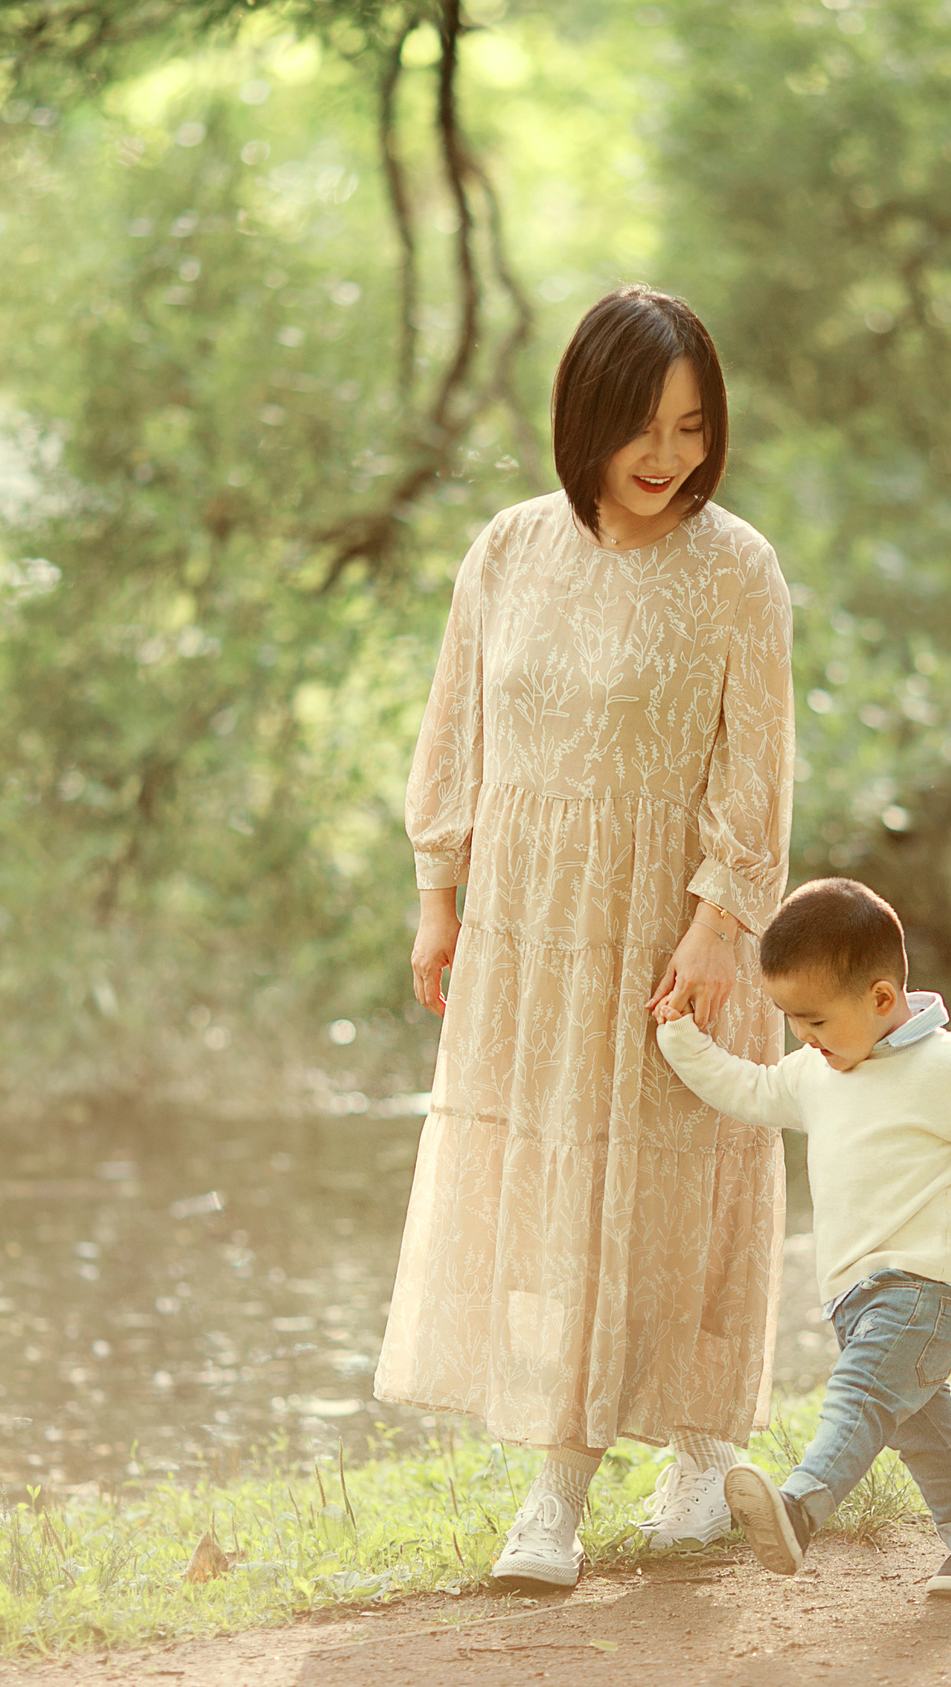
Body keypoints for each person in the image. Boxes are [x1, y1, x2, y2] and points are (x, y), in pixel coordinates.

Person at [377, 286, 796, 1590]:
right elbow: (457, 724)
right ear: (587, 420)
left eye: (692, 424)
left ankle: (658, 1457)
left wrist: (724, 918)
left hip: (675, 925)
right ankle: (586, 1467)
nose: (667, 454)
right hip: (530, 923)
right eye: (642, 425)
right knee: (557, 1189)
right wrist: (438, 891)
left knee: (677, 1183)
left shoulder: (739, 566)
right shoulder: (507, 549)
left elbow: (758, 762)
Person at [654, 877, 951, 1598]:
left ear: (879, 998)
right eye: (792, 1022)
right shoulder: (816, 1071)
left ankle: (801, 1507)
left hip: (929, 1289)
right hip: (854, 1297)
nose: (804, 1037)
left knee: (861, 1393)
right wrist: (677, 1033)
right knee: (919, 1427)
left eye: (816, 1020)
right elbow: (743, 1088)